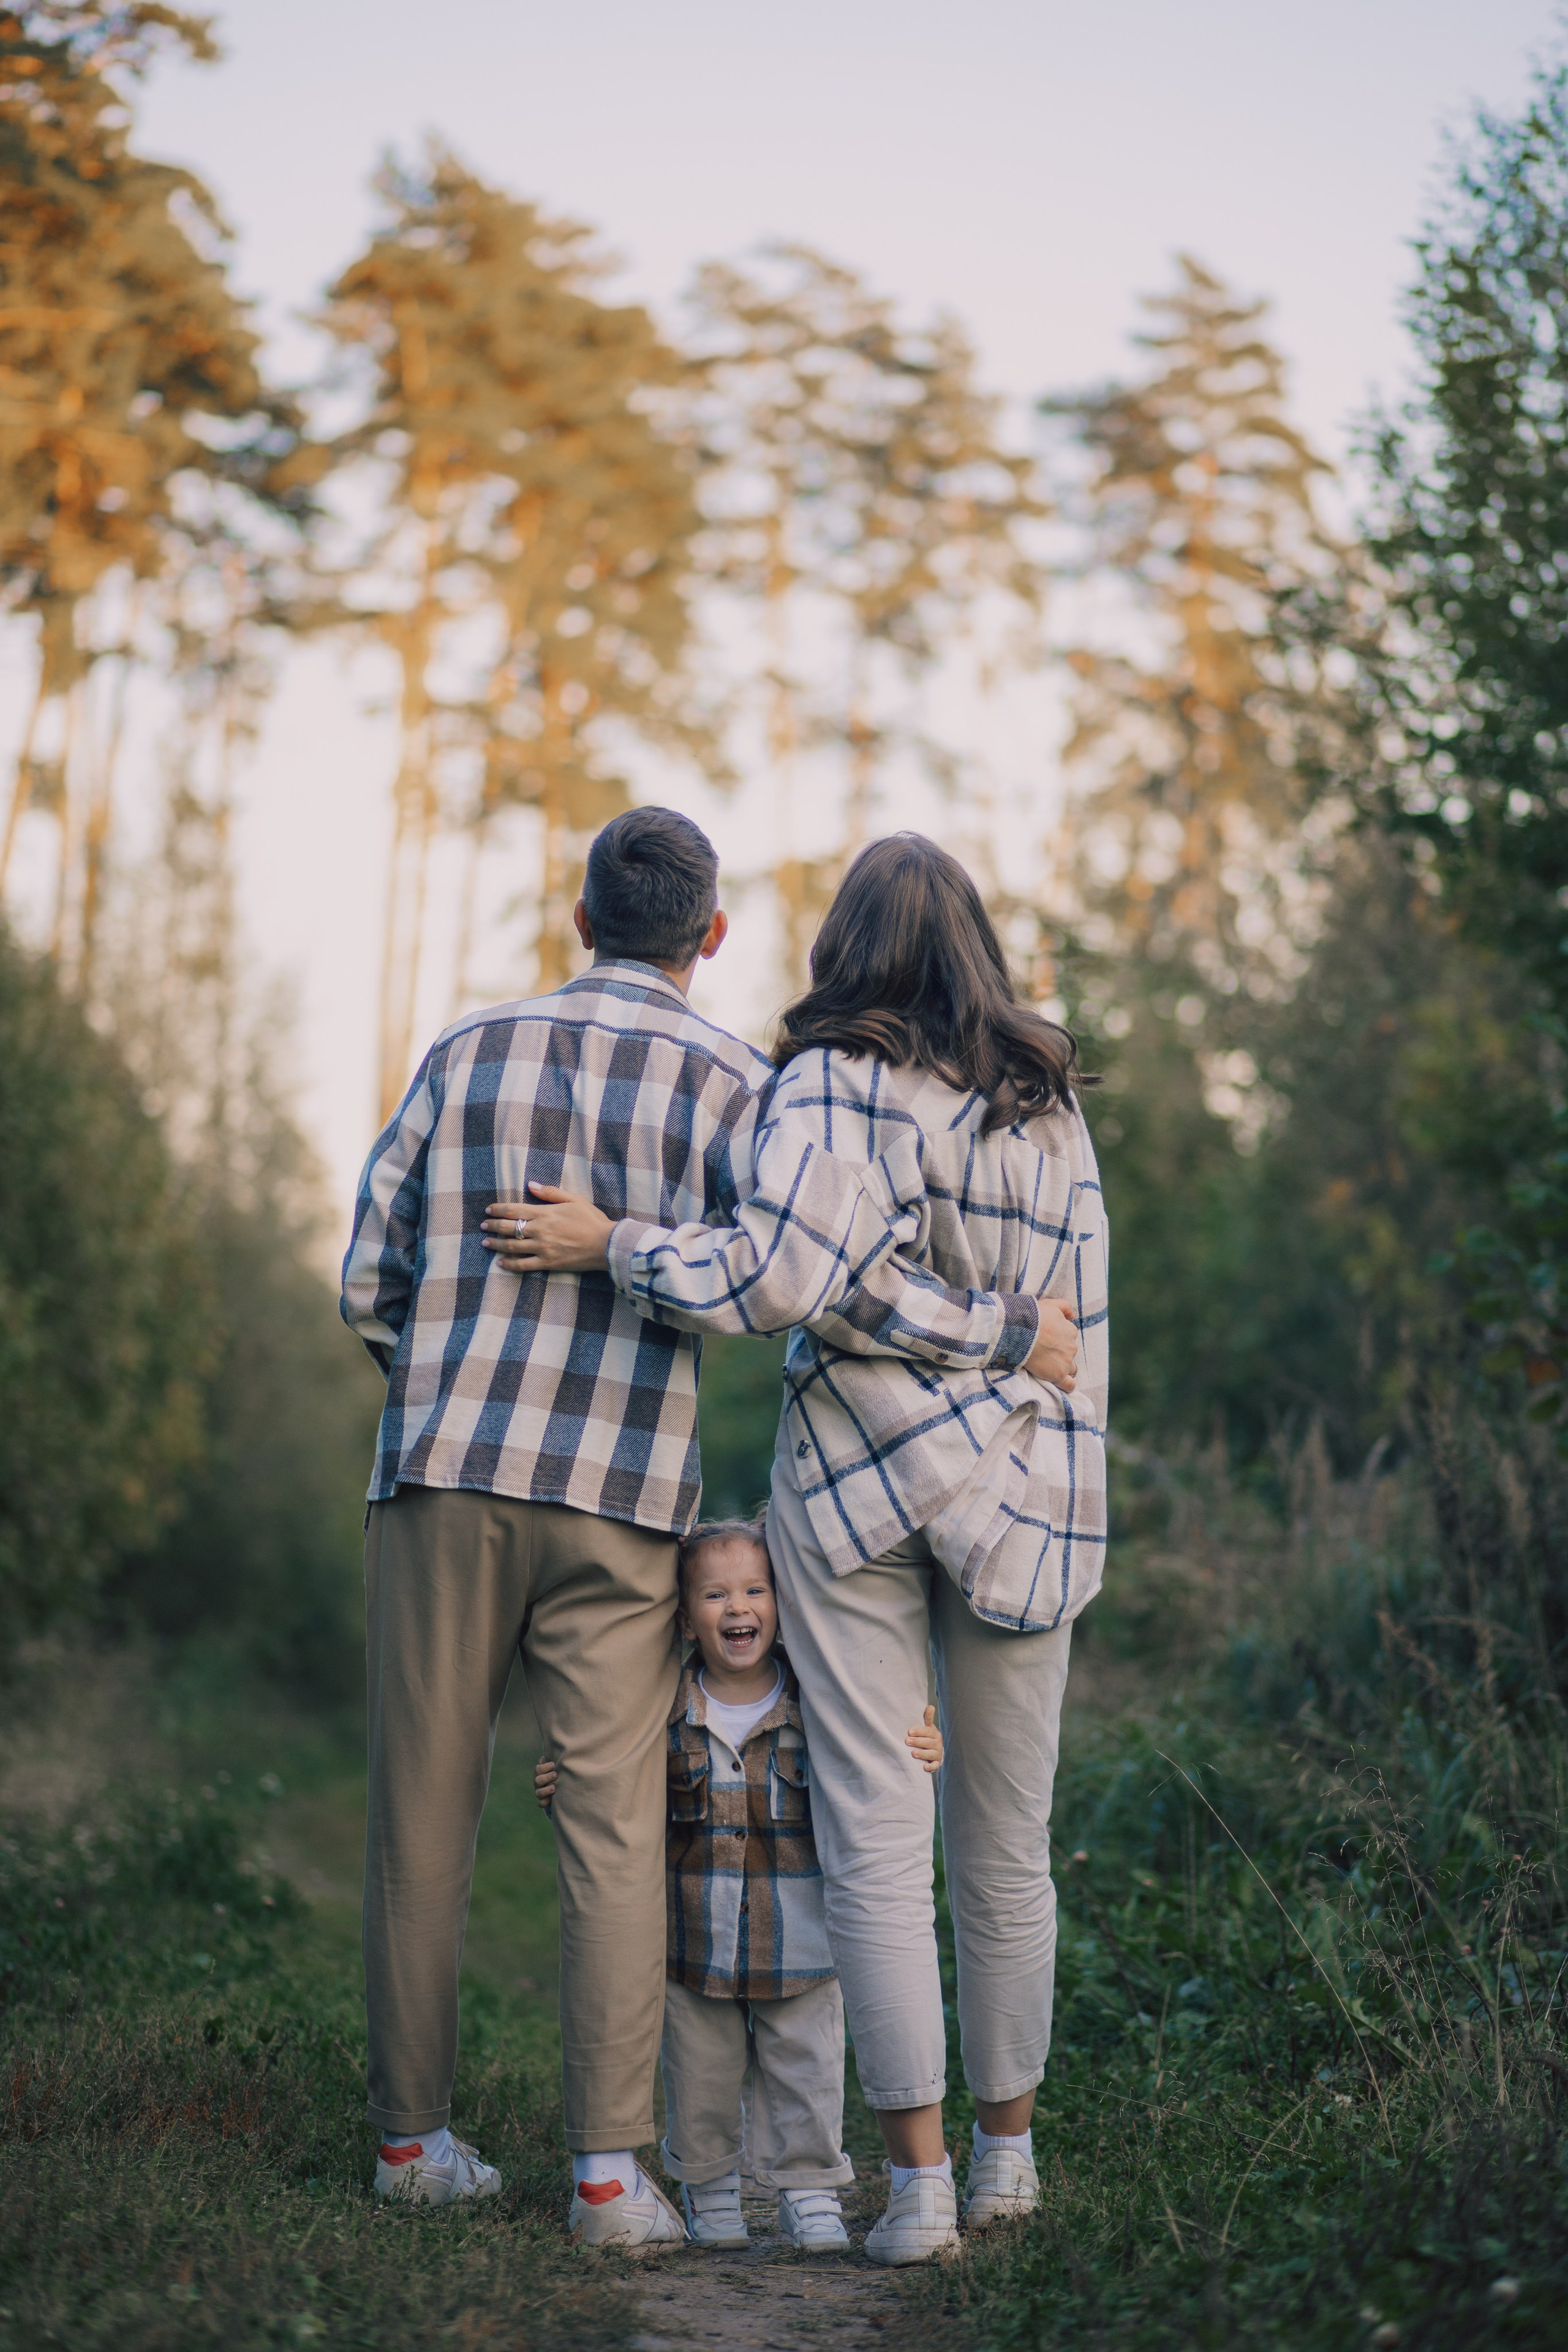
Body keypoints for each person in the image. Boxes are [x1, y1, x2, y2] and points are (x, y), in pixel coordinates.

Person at [340, 808, 1066, 2239]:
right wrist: (994, 1328)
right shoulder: (746, 1084)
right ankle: (611, 2173)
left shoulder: (460, 1052)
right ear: (712, 936)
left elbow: (371, 1274)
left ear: (578, 915)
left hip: (439, 1473)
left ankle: (409, 2141)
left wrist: (440, 1377)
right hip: (620, 1497)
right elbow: (813, 1277)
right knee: (616, 1829)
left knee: (417, 1820)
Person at [536, 1517, 943, 2252]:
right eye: (715, 1594)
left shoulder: (818, 1703)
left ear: (782, 1603)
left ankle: (809, 2189)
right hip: (697, 1936)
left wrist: (924, 1742)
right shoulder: (662, 1711)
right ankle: (711, 2190)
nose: (738, 1608)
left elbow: (880, 1755)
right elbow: (614, 1788)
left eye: (755, 1590)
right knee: (699, 2075)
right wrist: (566, 1784)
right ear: (685, 1616)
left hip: (802, 1939)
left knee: (807, 2070)